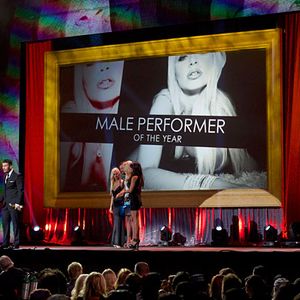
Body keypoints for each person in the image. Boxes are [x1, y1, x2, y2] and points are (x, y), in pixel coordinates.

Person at [138, 52, 264, 190]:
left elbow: (249, 168)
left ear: (214, 60)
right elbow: (142, 173)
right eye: (182, 58)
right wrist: (213, 184)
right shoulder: (166, 100)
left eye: (202, 52)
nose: (192, 61)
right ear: (173, 71)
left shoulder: (221, 103)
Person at [60, 60, 124, 192]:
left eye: (111, 60)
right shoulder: (70, 117)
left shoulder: (133, 126)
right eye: (90, 64)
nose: (103, 68)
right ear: (81, 77)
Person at [117, 162, 143, 249]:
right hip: (129, 199)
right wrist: (122, 192)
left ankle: (135, 239)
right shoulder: (130, 176)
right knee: (130, 218)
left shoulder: (134, 177)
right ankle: (131, 239)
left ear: (134, 169)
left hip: (133, 198)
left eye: (131, 167)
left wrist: (122, 192)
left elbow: (130, 190)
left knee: (134, 219)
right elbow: (125, 188)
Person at [0, 159, 24, 249]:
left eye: (5, 166)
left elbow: (20, 190)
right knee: (5, 224)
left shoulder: (17, 176)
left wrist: (17, 203)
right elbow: (6, 192)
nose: (3, 168)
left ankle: (16, 243)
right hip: (5, 205)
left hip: (14, 205)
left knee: (15, 224)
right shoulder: (5, 176)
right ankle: (5, 243)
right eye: (3, 166)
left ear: (10, 166)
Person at [109, 167, 126, 248]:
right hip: (115, 205)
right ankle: (116, 242)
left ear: (119, 173)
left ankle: (120, 242)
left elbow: (125, 192)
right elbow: (112, 196)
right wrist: (110, 207)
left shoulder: (122, 182)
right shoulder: (112, 183)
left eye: (117, 173)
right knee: (116, 223)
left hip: (121, 204)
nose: (116, 175)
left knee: (121, 223)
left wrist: (120, 194)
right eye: (114, 174)